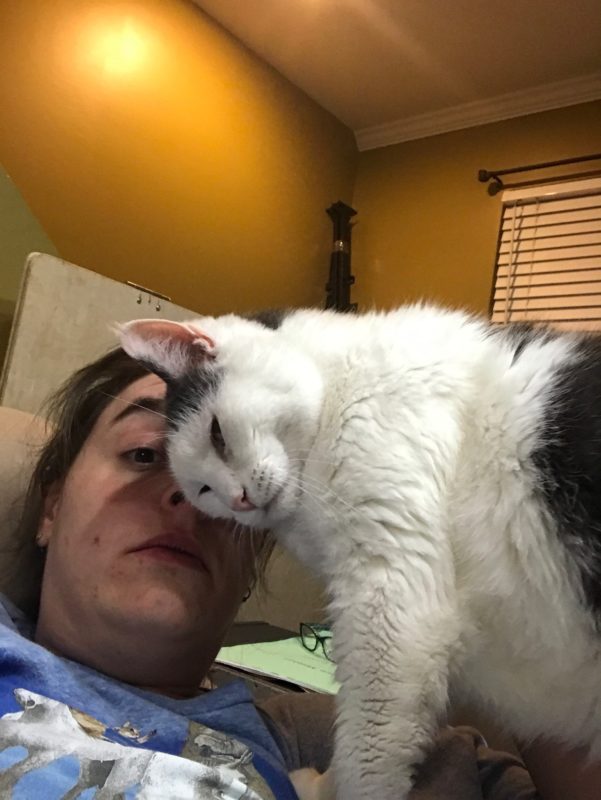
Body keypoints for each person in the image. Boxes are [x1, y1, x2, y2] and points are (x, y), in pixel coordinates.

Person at [0, 346, 543, 798]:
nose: (194, 496)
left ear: (250, 565)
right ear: (51, 508)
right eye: (145, 453)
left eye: (238, 485)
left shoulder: (322, 740)